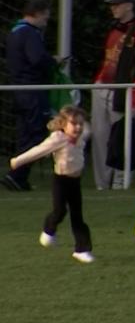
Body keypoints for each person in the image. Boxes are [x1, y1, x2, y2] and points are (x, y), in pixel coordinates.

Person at [10, 105, 94, 263]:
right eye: (74, 124)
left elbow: (88, 129)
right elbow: (38, 151)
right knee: (59, 211)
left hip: (75, 182)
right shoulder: (57, 139)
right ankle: (49, 230)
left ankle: (82, 249)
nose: (78, 127)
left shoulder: (83, 136)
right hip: (61, 181)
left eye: (80, 124)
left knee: (78, 216)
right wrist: (18, 161)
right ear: (63, 125)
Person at [91, 0, 135, 190]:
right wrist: (98, 81)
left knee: (121, 137)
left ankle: (120, 182)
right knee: (100, 137)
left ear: (129, 5)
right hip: (103, 87)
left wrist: (134, 98)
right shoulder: (114, 29)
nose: (113, 8)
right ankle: (102, 184)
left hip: (121, 91)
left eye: (117, 4)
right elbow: (108, 60)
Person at [3, 0, 58, 191]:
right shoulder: (30, 33)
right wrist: (53, 62)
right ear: (37, 13)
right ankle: (16, 174)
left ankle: (17, 177)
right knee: (36, 134)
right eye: (45, 16)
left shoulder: (14, 32)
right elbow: (36, 59)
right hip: (33, 91)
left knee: (25, 133)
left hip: (19, 90)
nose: (46, 21)